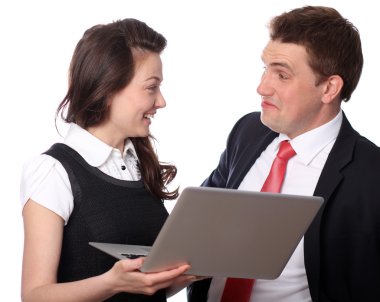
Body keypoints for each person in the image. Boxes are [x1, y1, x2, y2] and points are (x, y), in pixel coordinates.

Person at [188, 5, 380, 302]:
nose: (262, 87)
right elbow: (198, 225)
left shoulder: (372, 174)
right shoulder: (247, 131)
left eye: (282, 75)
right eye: (265, 69)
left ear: (329, 88)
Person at [20, 18, 195, 302]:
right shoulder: (53, 171)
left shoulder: (138, 164)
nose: (161, 101)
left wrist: (182, 275)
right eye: (152, 87)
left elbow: (145, 288)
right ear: (109, 87)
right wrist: (111, 283)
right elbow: (35, 295)